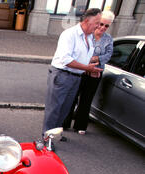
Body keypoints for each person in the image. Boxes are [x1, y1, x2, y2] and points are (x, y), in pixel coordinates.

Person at [42, 8, 103, 146]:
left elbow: (81, 57)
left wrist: (90, 66)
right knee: (54, 109)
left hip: (76, 76)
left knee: (65, 109)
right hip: (62, 75)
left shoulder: (89, 37)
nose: (98, 26)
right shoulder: (70, 34)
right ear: (88, 21)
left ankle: (54, 134)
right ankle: (46, 139)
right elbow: (66, 59)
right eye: (97, 23)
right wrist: (87, 68)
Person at [63, 10, 115, 135]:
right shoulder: (88, 35)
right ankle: (65, 123)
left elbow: (108, 55)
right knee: (72, 97)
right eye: (101, 24)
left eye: (106, 26)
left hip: (95, 73)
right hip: (82, 71)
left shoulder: (108, 39)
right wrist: (88, 63)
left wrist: (94, 59)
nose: (102, 27)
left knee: (86, 100)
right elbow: (80, 53)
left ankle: (80, 125)